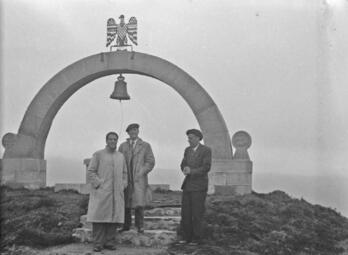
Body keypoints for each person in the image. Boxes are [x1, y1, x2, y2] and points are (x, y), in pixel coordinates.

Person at [86, 132, 128, 252]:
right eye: (110, 139)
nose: (113, 141)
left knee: (113, 217)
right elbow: (91, 171)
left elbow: (125, 173)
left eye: (115, 139)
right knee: (99, 218)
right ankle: (98, 243)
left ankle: (109, 242)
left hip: (116, 192)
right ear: (106, 140)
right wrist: (99, 183)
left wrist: (123, 184)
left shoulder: (120, 156)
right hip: (101, 192)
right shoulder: (98, 154)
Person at [118, 123, 155, 233]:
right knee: (126, 202)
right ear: (128, 133)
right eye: (131, 131)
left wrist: (142, 171)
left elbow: (150, 161)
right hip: (126, 178)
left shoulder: (145, 146)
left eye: (135, 130)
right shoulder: (123, 146)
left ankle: (140, 226)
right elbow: (119, 161)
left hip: (139, 179)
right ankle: (126, 225)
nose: (133, 132)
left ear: (138, 131)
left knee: (139, 203)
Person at [179, 129, 212, 245]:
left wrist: (191, 171)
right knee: (186, 213)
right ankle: (187, 237)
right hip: (187, 186)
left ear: (198, 138)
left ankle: (197, 238)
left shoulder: (206, 150)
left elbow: (206, 167)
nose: (189, 140)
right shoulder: (187, 150)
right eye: (188, 138)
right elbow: (183, 163)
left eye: (191, 137)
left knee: (197, 213)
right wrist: (184, 168)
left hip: (199, 187)